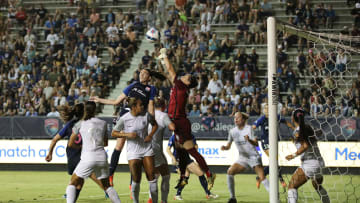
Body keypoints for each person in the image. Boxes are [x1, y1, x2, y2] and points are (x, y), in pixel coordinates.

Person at [158, 48, 216, 190]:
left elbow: (171, 70)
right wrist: (162, 60)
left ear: (188, 82)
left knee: (190, 152)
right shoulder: (179, 85)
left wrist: (164, 56)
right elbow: (168, 74)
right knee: (182, 152)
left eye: (187, 76)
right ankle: (191, 176)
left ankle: (207, 174)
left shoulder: (180, 85)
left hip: (179, 122)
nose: (184, 76)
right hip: (176, 121)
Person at [92, 68, 158, 186]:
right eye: (140, 72)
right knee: (119, 146)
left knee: (136, 150)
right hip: (125, 116)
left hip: (139, 119)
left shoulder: (151, 89)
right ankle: (110, 176)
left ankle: (132, 183)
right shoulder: (133, 85)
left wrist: (151, 121)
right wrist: (99, 100)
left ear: (149, 78)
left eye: (145, 73)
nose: (141, 74)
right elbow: (116, 101)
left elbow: (151, 106)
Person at [45, 104, 105, 198]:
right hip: (83, 154)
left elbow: (55, 139)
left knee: (79, 178)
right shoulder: (88, 123)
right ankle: (107, 189)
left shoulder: (70, 124)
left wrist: (50, 153)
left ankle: (70, 193)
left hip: (72, 154)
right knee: (89, 175)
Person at [66, 101, 121, 203]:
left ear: (85, 110)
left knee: (72, 183)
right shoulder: (103, 123)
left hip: (88, 157)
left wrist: (81, 146)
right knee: (106, 186)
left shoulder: (80, 124)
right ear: (95, 109)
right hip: (102, 158)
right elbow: (105, 143)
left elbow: (70, 144)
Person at [112, 97, 159, 203]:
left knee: (152, 176)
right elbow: (114, 133)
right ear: (133, 107)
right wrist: (126, 134)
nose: (142, 107)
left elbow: (155, 125)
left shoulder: (146, 115)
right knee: (136, 179)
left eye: (142, 105)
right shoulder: (124, 118)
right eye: (140, 105)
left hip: (147, 149)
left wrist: (150, 135)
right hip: (133, 152)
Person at [221, 112, 269, 203]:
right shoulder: (232, 131)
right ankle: (232, 198)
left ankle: (275, 198)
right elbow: (228, 146)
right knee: (230, 172)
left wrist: (249, 140)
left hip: (253, 156)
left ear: (243, 120)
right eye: (235, 118)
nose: (236, 119)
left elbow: (256, 144)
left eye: (238, 118)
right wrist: (225, 148)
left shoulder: (249, 129)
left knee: (262, 177)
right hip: (243, 158)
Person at [285, 109, 330, 203]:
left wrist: (293, 155)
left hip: (309, 163)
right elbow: (319, 132)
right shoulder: (308, 128)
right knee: (317, 186)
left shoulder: (298, 132)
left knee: (292, 186)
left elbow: (305, 145)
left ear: (292, 118)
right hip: (320, 163)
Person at [166, 133, 219, 201]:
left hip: (187, 158)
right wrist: (173, 157)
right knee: (196, 174)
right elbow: (168, 149)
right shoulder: (174, 137)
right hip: (179, 159)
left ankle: (178, 194)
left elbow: (196, 146)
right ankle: (208, 193)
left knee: (189, 176)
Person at [147, 98, 176, 203]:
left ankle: (151, 198)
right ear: (164, 106)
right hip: (155, 149)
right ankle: (163, 201)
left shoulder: (147, 114)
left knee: (155, 174)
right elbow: (172, 127)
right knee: (166, 175)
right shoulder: (163, 115)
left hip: (144, 149)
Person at [252, 103, 287, 189]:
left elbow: (285, 122)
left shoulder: (275, 116)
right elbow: (253, 127)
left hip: (273, 142)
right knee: (274, 161)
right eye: (266, 108)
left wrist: (294, 128)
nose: (267, 110)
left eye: (268, 108)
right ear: (264, 110)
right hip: (265, 142)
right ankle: (281, 180)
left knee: (274, 162)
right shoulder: (262, 119)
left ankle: (259, 177)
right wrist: (253, 137)